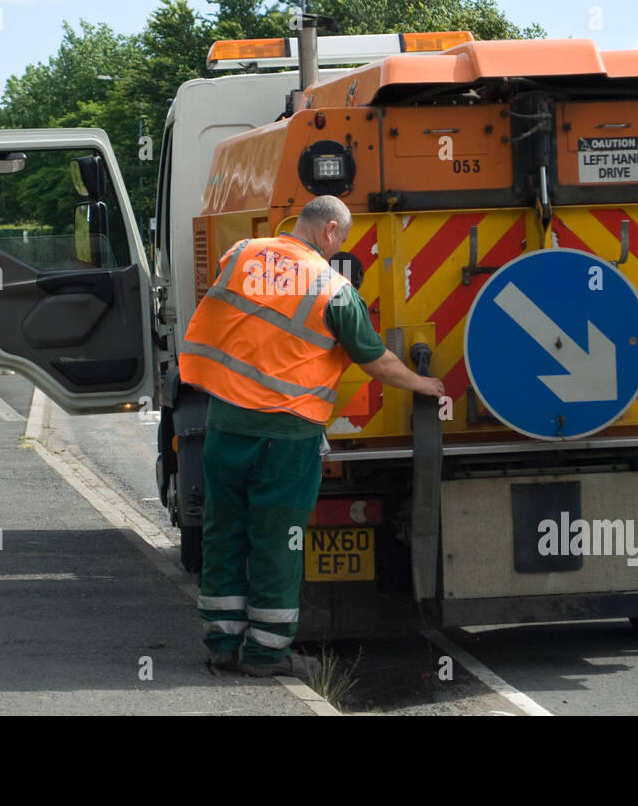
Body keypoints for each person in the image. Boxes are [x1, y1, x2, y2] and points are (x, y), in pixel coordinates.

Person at [178, 195, 446, 677]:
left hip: (226, 423)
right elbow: (373, 359)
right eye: (340, 238)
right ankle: (265, 653)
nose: (338, 247)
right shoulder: (332, 287)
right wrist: (423, 383)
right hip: (286, 432)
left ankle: (222, 641)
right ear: (328, 232)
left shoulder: (241, 254)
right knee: (278, 539)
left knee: (225, 529)